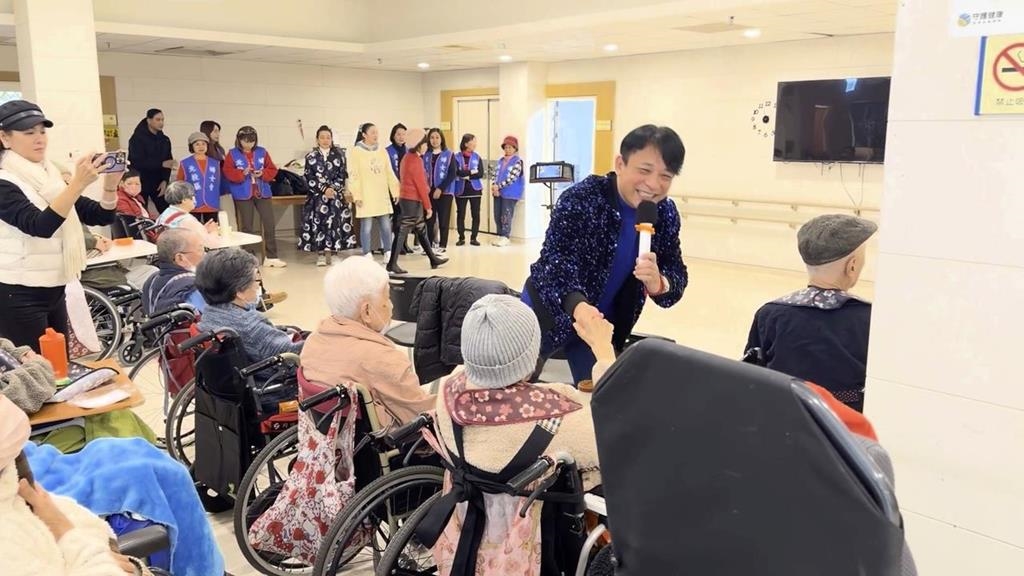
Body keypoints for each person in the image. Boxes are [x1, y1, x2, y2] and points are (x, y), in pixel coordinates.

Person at [429, 295, 613, 574]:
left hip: (463, 528)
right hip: (530, 538)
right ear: (529, 358)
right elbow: (614, 433)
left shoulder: (448, 390)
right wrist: (604, 352)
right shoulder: (554, 420)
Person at [522, 124, 689, 385]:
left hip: (602, 327)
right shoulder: (582, 198)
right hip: (548, 310)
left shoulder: (665, 213)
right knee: (515, 386)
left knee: (601, 395)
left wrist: (659, 283)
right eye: (644, 170)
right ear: (620, 163)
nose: (653, 184)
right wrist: (579, 307)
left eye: (665, 176)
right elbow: (555, 262)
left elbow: (676, 275)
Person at [0, 99, 123, 352]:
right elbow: (39, 226)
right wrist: (77, 183)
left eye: (42, 131)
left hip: (55, 286)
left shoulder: (51, 176)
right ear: (5, 138)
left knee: (59, 365)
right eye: (29, 133)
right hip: (18, 292)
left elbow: (100, 215)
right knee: (34, 369)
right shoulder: (5, 181)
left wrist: (110, 185)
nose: (40, 139)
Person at [0, 395, 157, 576]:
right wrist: (76, 541)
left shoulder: (23, 485)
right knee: (144, 468)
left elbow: (84, 523)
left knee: (133, 446)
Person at [744, 214, 877, 412]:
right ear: (852, 266)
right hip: (844, 423)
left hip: (784, 414)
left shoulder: (769, 314)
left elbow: (751, 374)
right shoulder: (870, 319)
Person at [302, 255, 436, 430]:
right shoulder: (382, 358)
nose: (391, 306)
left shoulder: (313, 341)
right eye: (387, 298)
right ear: (366, 311)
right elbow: (421, 414)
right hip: (389, 442)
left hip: (331, 438)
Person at [195, 248, 304, 367]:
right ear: (239, 291)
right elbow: (294, 355)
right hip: (276, 372)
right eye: (255, 280)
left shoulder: (209, 313)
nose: (258, 285)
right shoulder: (250, 325)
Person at [222, 125, 286, 268]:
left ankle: (271, 256)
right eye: (245, 140)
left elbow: (272, 169)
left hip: (262, 191)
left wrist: (263, 173)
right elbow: (227, 171)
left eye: (251, 140)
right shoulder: (232, 154)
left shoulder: (262, 152)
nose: (248, 143)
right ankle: (248, 258)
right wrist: (242, 173)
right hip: (242, 193)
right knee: (247, 226)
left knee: (269, 223)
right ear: (239, 140)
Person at [386, 129, 448, 275]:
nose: (427, 146)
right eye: (425, 143)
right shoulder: (416, 160)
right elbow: (421, 185)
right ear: (419, 145)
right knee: (403, 231)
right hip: (412, 201)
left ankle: (433, 258)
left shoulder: (407, 157)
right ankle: (392, 264)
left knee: (420, 229)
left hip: (407, 199)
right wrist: (428, 207)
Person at [298, 125, 356, 266]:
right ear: (317, 139)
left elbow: (342, 175)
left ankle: (335, 253)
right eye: (322, 137)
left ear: (332, 139)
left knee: (335, 224)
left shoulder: (339, 156)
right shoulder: (311, 157)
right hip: (317, 197)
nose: (325, 140)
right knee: (319, 224)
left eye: (328, 137)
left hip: (335, 197)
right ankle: (321, 255)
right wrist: (324, 189)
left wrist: (332, 189)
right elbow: (309, 177)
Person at [348, 122, 399, 259]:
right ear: (364, 135)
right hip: (365, 195)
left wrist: (395, 191)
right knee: (366, 226)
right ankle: (367, 253)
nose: (376, 135)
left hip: (381, 194)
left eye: (377, 132)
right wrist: (357, 195)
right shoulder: (356, 152)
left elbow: (389, 171)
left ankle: (388, 252)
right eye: (372, 132)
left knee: (386, 225)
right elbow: (353, 175)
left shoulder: (382, 151)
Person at [141, 228, 206, 316]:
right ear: (180, 258)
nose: (204, 254)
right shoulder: (193, 287)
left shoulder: (151, 280)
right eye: (200, 250)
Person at [127, 108, 174, 213]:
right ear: (149, 120)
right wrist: (161, 164)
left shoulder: (165, 139)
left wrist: (165, 180)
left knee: (167, 211)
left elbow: (169, 162)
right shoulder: (137, 139)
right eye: (158, 119)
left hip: (158, 181)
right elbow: (136, 162)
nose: (161, 123)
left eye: (162, 120)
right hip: (140, 181)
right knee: (141, 212)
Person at [155, 181, 221, 248]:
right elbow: (212, 244)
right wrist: (214, 231)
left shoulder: (164, 215)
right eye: (193, 196)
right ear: (184, 200)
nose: (195, 199)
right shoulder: (187, 220)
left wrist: (203, 229)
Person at [423, 128, 457, 253]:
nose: (435, 140)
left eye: (437, 137)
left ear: (442, 139)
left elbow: (452, 174)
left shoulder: (449, 154)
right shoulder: (426, 155)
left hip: (445, 191)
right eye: (432, 137)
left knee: (443, 219)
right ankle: (429, 245)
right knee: (429, 219)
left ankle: (442, 245)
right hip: (429, 191)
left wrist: (440, 188)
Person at [175, 132, 221, 223]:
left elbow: (218, 182)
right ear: (191, 147)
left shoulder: (215, 163)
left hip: (211, 203)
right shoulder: (185, 163)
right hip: (192, 204)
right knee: (193, 229)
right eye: (197, 144)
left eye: (203, 144)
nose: (201, 147)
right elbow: (179, 183)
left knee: (212, 228)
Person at [490, 135, 524, 247]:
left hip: (510, 194)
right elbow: (494, 175)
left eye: (510, 147)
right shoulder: (500, 161)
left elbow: (512, 178)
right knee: (497, 214)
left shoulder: (517, 162)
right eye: (505, 147)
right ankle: (499, 234)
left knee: (506, 215)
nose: (507, 149)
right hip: (498, 192)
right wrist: (494, 186)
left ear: (515, 149)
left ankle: (505, 236)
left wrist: (498, 186)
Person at [453, 133, 484, 247]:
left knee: (475, 214)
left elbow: (480, 173)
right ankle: (461, 237)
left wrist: (467, 175)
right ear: (466, 143)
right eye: (473, 141)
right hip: (461, 190)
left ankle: (474, 238)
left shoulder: (477, 157)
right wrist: (471, 172)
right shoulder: (456, 157)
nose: (475, 144)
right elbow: (457, 172)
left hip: (475, 190)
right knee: (460, 214)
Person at [385, 123, 410, 253]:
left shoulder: (409, 151)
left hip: (407, 189)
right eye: (398, 134)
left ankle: (405, 243)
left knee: (406, 218)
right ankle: (397, 245)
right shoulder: (387, 151)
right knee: (397, 218)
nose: (401, 137)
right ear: (393, 136)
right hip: (393, 190)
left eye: (403, 134)